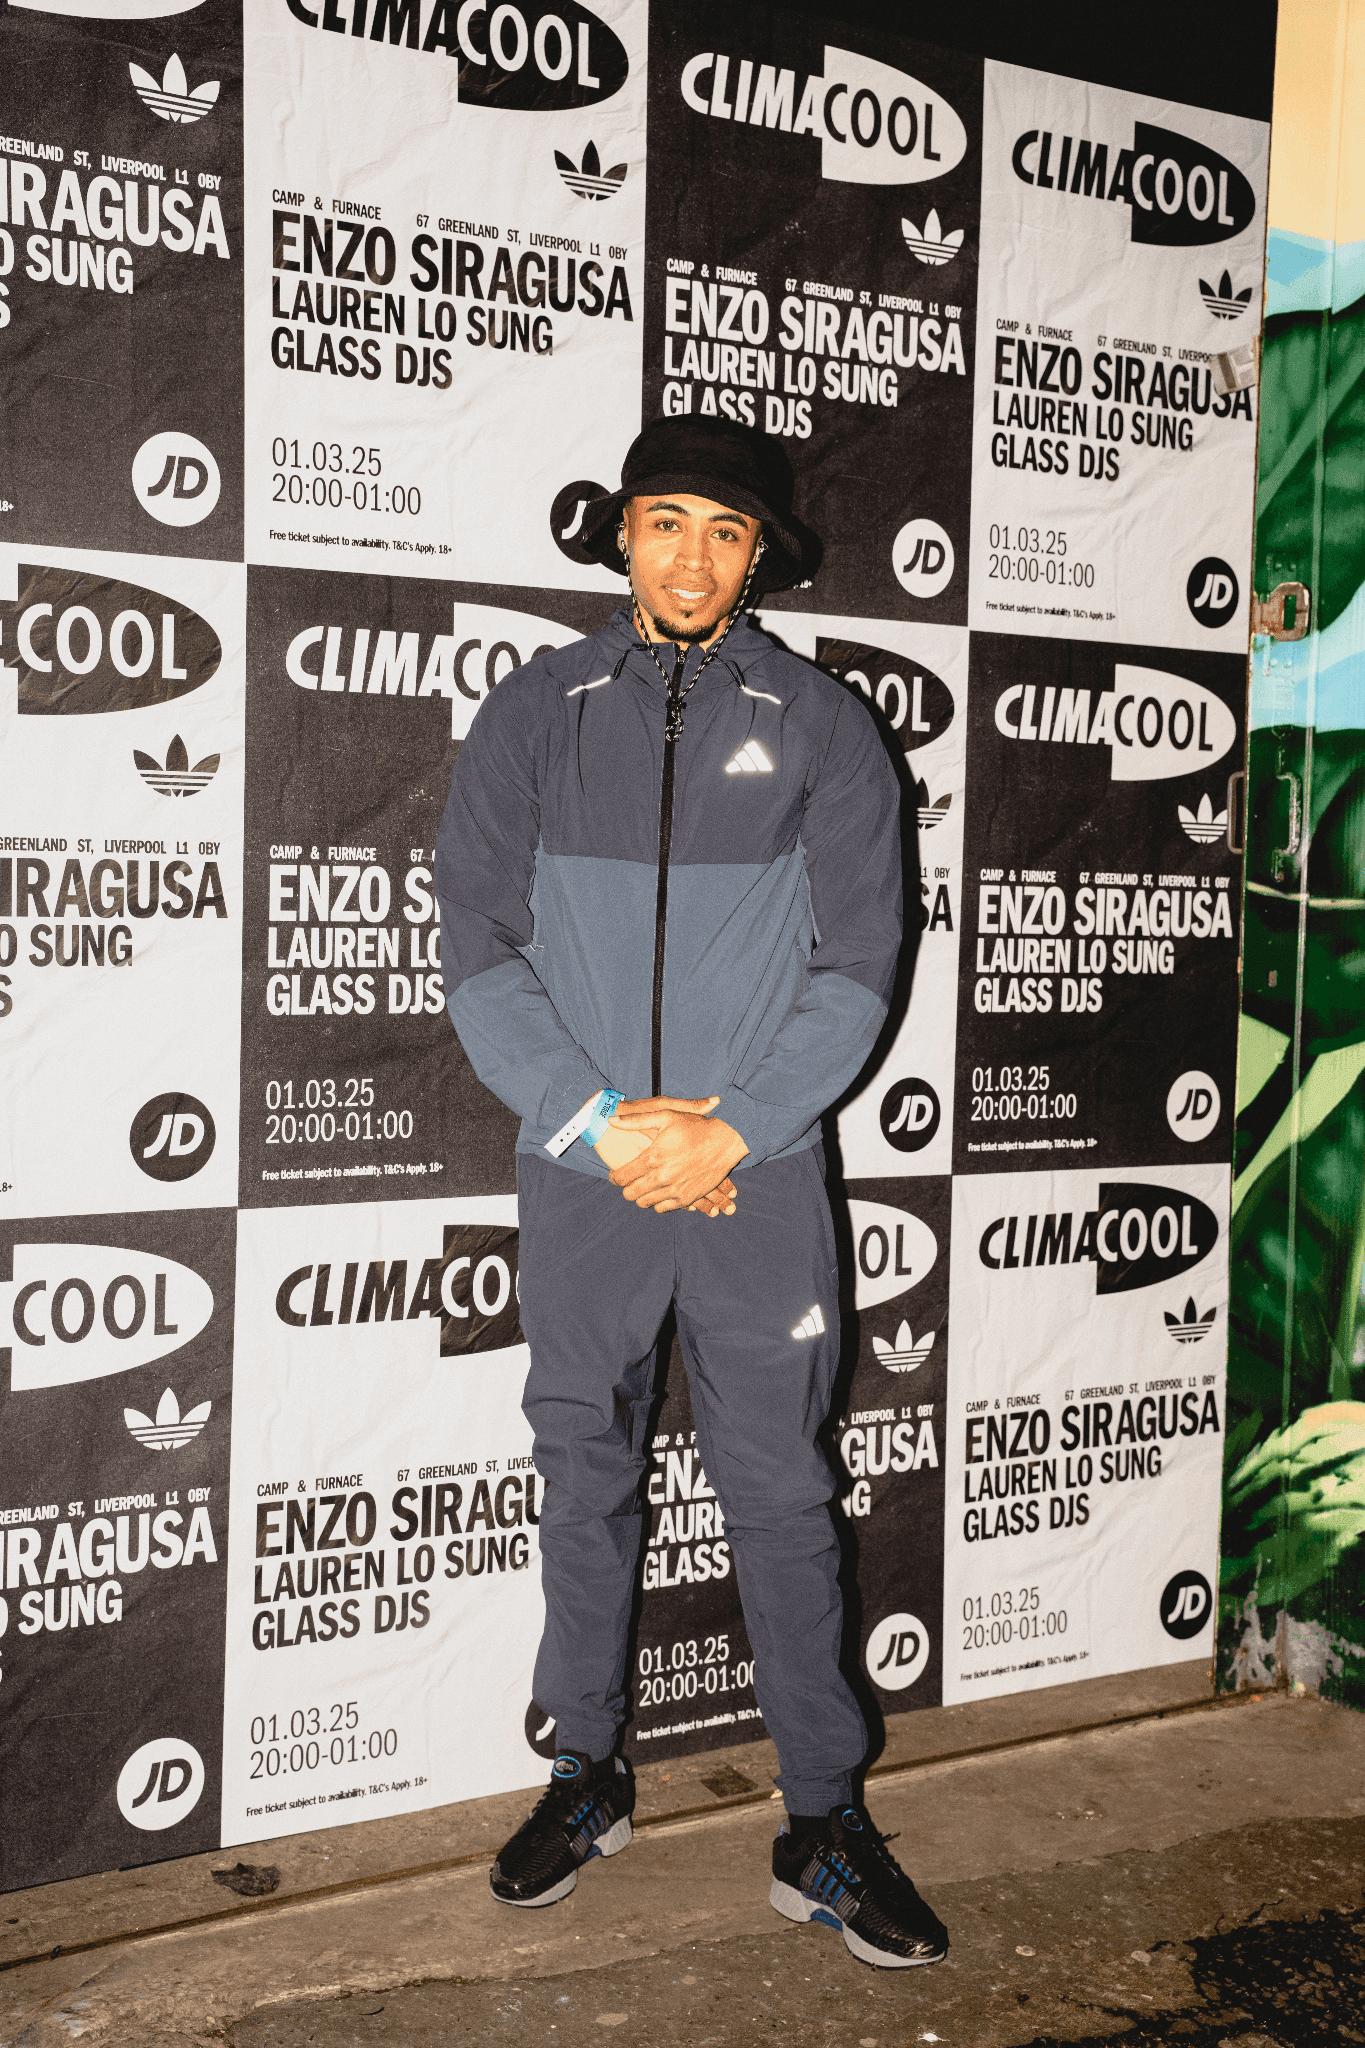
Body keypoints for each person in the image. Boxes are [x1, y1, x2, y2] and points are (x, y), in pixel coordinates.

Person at [435, 415, 947, 1969]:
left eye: (728, 532)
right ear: (622, 533)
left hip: (757, 1177)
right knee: (582, 1472)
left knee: (781, 1494)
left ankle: (823, 1820)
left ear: (759, 555)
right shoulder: (535, 710)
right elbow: (477, 947)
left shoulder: (825, 726)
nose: (693, 557)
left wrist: (734, 1130)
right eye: (667, 521)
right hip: (583, 1175)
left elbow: (861, 961)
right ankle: (584, 1772)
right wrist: (601, 1128)